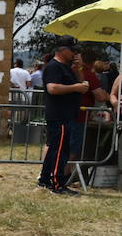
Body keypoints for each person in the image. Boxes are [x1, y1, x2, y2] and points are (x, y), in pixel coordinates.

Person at [38, 36, 90, 194]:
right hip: (58, 115)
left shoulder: (67, 67)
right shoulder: (54, 67)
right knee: (60, 151)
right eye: (73, 50)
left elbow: (81, 83)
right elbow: (52, 88)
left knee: (57, 148)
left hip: (66, 115)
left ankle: (45, 180)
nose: (75, 54)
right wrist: (75, 87)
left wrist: (79, 68)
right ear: (63, 50)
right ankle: (57, 184)